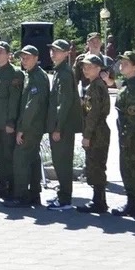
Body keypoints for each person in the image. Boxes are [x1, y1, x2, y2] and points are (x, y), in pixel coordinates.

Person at [7, 45, 49, 209]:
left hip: (31, 127)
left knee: (21, 159)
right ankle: (34, 195)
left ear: (36, 58)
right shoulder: (32, 75)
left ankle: (22, 196)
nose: (23, 61)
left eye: (27, 57)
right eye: (22, 58)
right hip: (33, 126)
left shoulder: (37, 77)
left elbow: (32, 106)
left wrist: (22, 129)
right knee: (32, 160)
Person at [111, 51, 135, 217]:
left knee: (129, 165)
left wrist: (128, 136)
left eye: (126, 63)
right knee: (129, 164)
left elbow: (133, 115)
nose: (122, 65)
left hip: (130, 132)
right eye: (121, 62)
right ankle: (133, 203)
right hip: (126, 131)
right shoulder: (128, 83)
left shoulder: (134, 86)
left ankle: (133, 204)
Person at [45, 39, 80, 211]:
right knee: (59, 162)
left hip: (63, 127)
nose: (53, 53)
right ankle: (62, 194)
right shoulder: (60, 71)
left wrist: (58, 128)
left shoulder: (65, 74)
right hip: (59, 126)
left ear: (67, 53)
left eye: (57, 50)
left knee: (62, 162)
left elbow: (64, 103)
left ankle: (65, 199)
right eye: (52, 50)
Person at [0, 41, 23, 199]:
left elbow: (14, 101)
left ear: (9, 55)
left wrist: (10, 122)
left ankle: (12, 187)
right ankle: (2, 185)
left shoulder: (15, 73)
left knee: (8, 157)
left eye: (0, 51)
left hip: (6, 124)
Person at [76, 54, 112, 213]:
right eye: (84, 67)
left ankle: (99, 202)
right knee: (95, 165)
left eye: (89, 67)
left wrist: (87, 136)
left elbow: (93, 114)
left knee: (96, 165)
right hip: (97, 130)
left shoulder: (96, 86)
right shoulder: (93, 85)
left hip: (97, 131)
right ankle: (99, 200)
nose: (85, 70)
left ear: (98, 69)